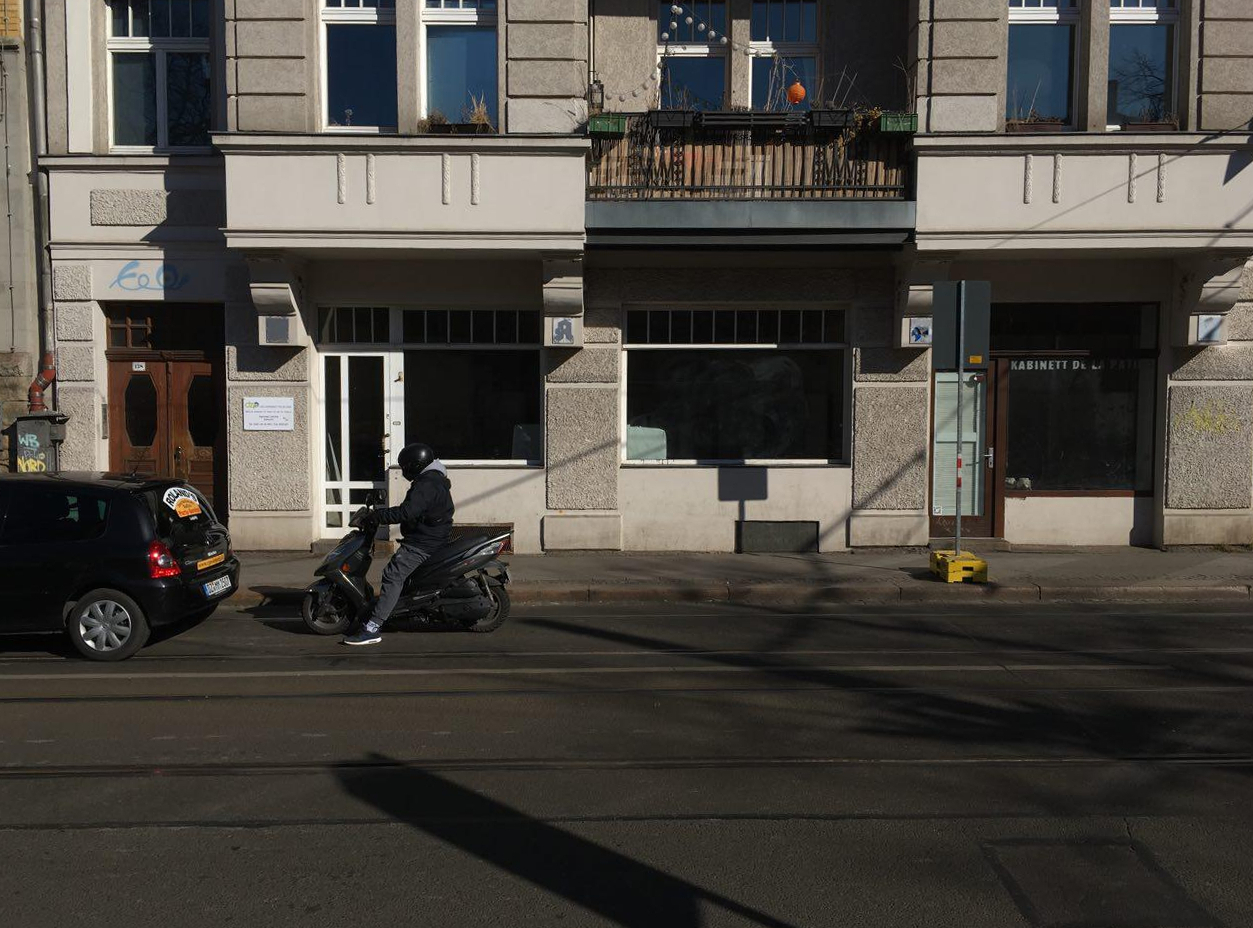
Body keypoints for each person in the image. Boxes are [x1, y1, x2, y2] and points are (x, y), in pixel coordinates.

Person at [341, 443, 454, 646]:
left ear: (415, 465)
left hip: (423, 542)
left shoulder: (427, 484)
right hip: (430, 537)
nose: (404, 472)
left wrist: (377, 516)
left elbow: (407, 512)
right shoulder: (432, 479)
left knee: (392, 575)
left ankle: (373, 628)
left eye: (405, 467)